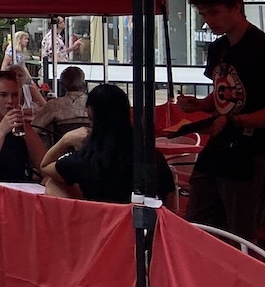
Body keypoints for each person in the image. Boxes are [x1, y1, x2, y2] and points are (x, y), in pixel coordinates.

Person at [174, 0, 265, 241]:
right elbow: (224, 95)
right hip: (218, 149)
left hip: (250, 152)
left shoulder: (263, 50)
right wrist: (199, 105)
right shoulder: (218, 48)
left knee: (240, 233)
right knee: (199, 226)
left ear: (237, 7)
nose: (209, 21)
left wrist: (236, 121)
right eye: (204, 14)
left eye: (214, 12)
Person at [40, 84, 174, 203]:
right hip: (142, 226)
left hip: (99, 224)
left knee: (52, 183)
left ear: (90, 112)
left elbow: (44, 166)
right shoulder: (152, 158)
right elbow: (170, 199)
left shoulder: (83, 159)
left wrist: (65, 139)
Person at [33, 66, 89, 142]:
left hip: (62, 150)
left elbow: (35, 129)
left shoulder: (54, 105)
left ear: (63, 84)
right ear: (83, 82)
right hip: (92, 150)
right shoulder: (95, 103)